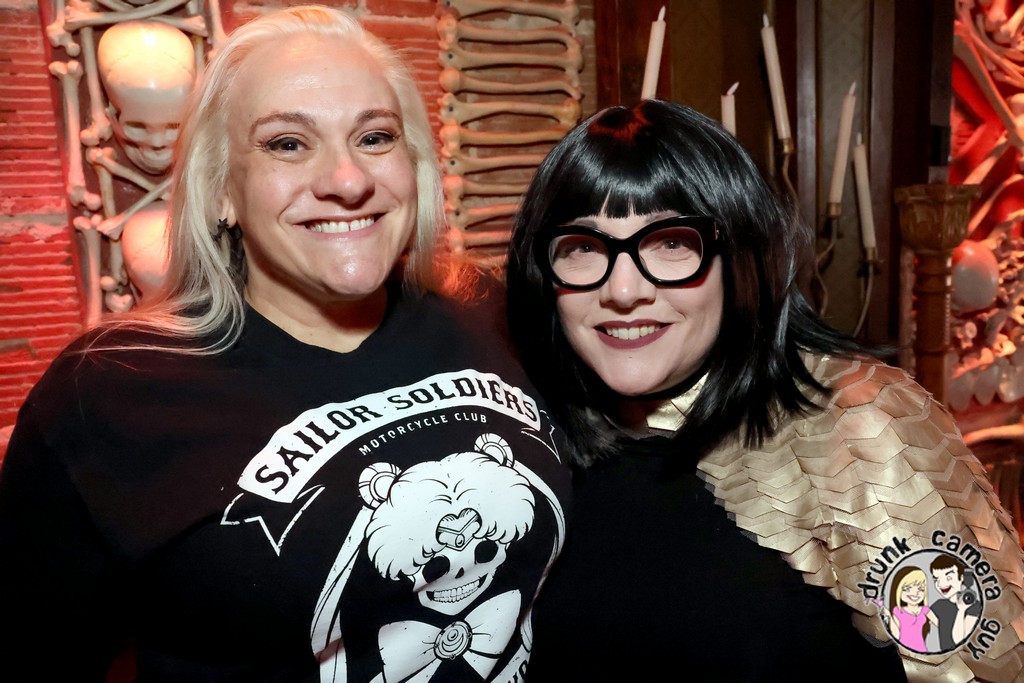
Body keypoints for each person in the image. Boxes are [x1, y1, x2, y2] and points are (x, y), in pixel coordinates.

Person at [0, 7, 569, 682]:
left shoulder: (488, 311)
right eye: (288, 144)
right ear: (221, 190)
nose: (347, 180)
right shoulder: (106, 392)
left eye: (375, 137)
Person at [506, 99, 1024, 681]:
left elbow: (982, 665)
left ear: (740, 257)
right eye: (583, 247)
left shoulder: (860, 429)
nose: (623, 290)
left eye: (671, 242)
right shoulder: (521, 431)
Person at [930, 554, 983, 651]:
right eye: (936, 579)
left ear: (961, 577)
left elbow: (959, 641)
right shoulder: (939, 605)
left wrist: (961, 611)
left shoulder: (974, 606)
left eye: (948, 577)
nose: (941, 584)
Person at [887, 567, 937, 652]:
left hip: (921, 650)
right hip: (903, 651)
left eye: (921, 589)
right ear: (898, 590)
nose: (915, 593)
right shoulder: (898, 611)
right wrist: (889, 616)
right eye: (907, 589)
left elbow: (942, 625)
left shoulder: (925, 610)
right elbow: (896, 636)